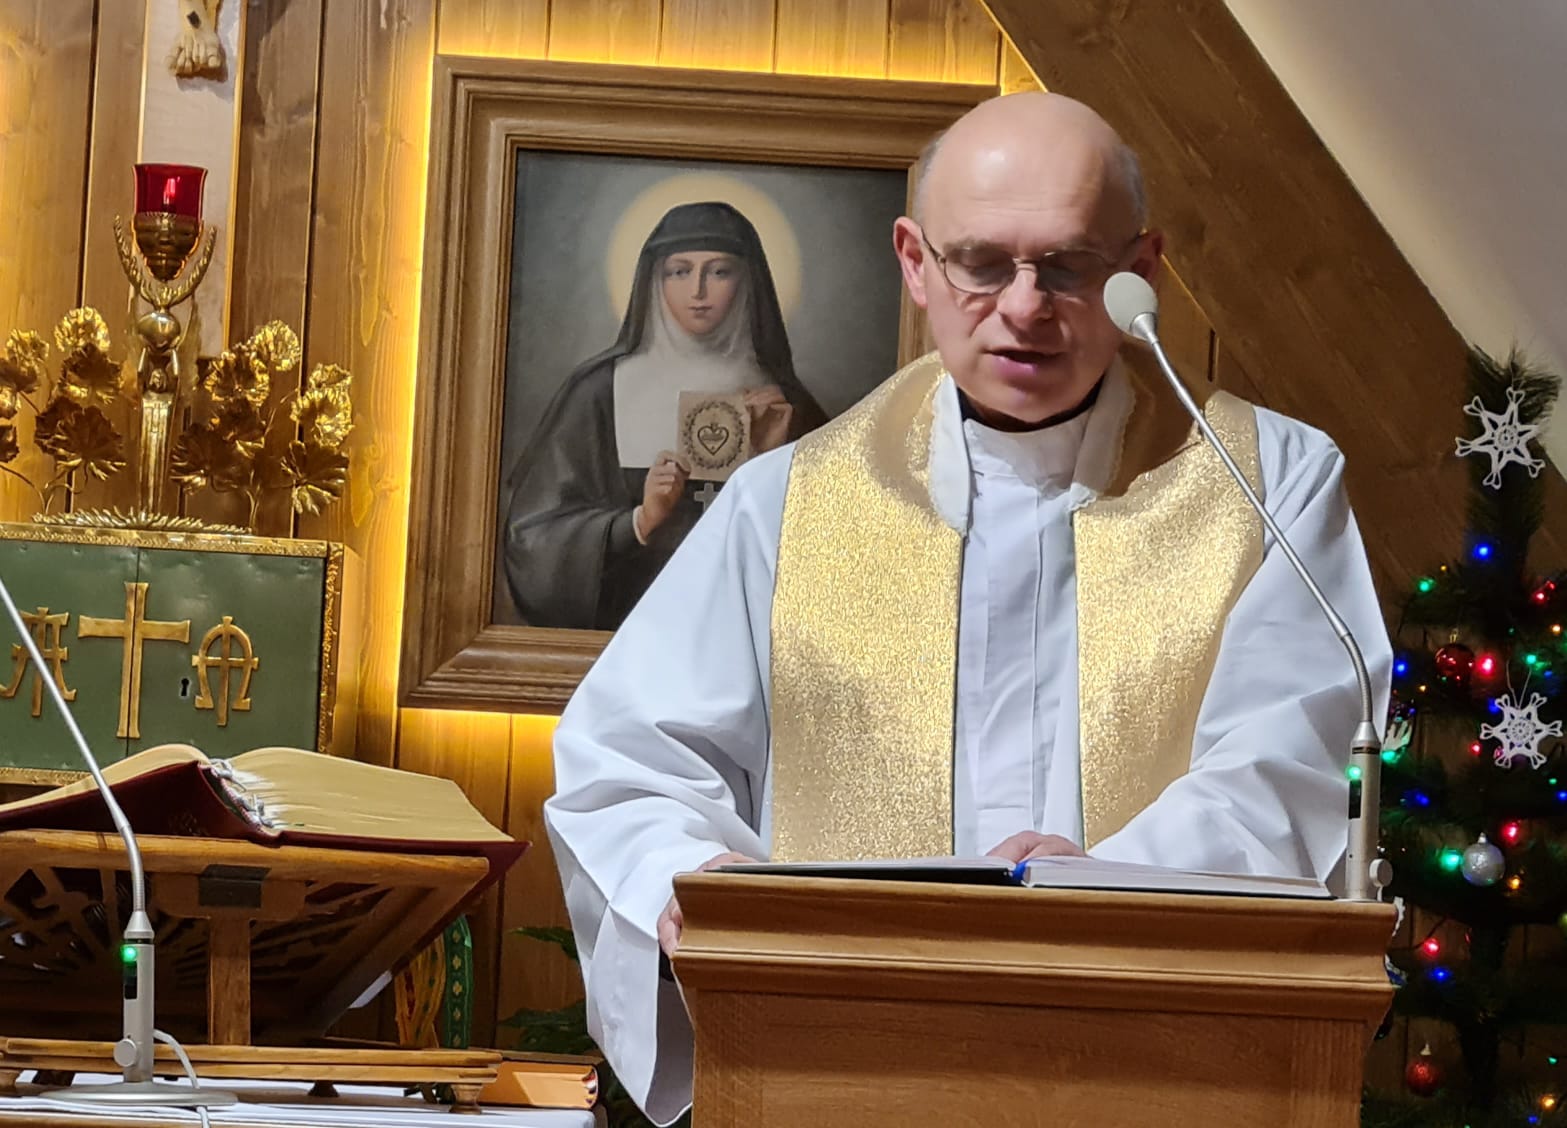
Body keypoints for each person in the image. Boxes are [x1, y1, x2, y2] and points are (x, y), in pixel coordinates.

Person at [544, 92, 1392, 1124]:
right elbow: (626, 764)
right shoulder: (786, 500)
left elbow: (1291, 757)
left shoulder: (1268, 480)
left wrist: (1109, 885)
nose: (1025, 307)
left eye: (1068, 266)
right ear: (915, 262)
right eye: (982, 264)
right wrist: (695, 883)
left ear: (1141, 269)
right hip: (841, 1070)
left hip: (1158, 1062)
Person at [502, 200, 826, 630]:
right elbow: (532, 540)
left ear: (748, 280)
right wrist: (639, 521)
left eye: (719, 271)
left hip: (737, 637)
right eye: (679, 271)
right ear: (654, 280)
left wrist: (771, 465)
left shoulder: (785, 405)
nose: (698, 291)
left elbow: (838, 552)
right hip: (625, 633)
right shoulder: (599, 392)